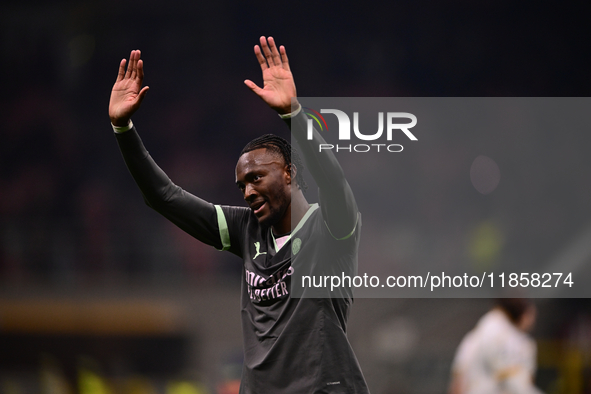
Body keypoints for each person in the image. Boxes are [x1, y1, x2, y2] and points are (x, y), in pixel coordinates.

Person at [108, 37, 369, 393]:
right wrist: (123, 130)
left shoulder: (332, 228)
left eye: (256, 178)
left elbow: (332, 180)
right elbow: (164, 196)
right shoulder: (246, 228)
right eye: (241, 185)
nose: (247, 192)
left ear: (289, 173)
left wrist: (293, 113)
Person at [449, 298, 543, 394]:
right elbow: (515, 381)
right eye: (531, 315)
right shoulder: (507, 337)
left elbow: (459, 373)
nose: (533, 320)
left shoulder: (474, 336)